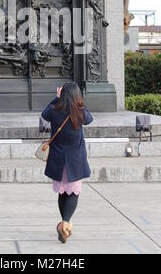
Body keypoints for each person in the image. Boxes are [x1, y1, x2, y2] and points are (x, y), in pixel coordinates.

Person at [41, 82, 93, 243]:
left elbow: (44, 113)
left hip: (58, 159)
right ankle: (65, 223)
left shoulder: (55, 111)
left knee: (63, 192)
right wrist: (79, 103)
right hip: (75, 160)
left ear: (62, 95)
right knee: (74, 192)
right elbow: (90, 118)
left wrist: (56, 99)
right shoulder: (80, 113)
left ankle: (64, 223)